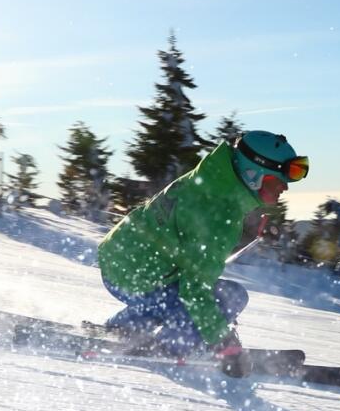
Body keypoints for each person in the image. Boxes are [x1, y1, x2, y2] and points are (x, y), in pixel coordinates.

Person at [97, 130, 309, 377]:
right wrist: (224, 343)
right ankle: (170, 345)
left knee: (173, 297)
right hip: (138, 274)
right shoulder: (218, 211)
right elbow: (194, 290)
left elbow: (193, 243)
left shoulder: (211, 180)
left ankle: (126, 328)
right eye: (279, 179)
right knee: (230, 296)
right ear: (254, 173)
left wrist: (245, 234)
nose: (285, 187)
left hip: (123, 260)